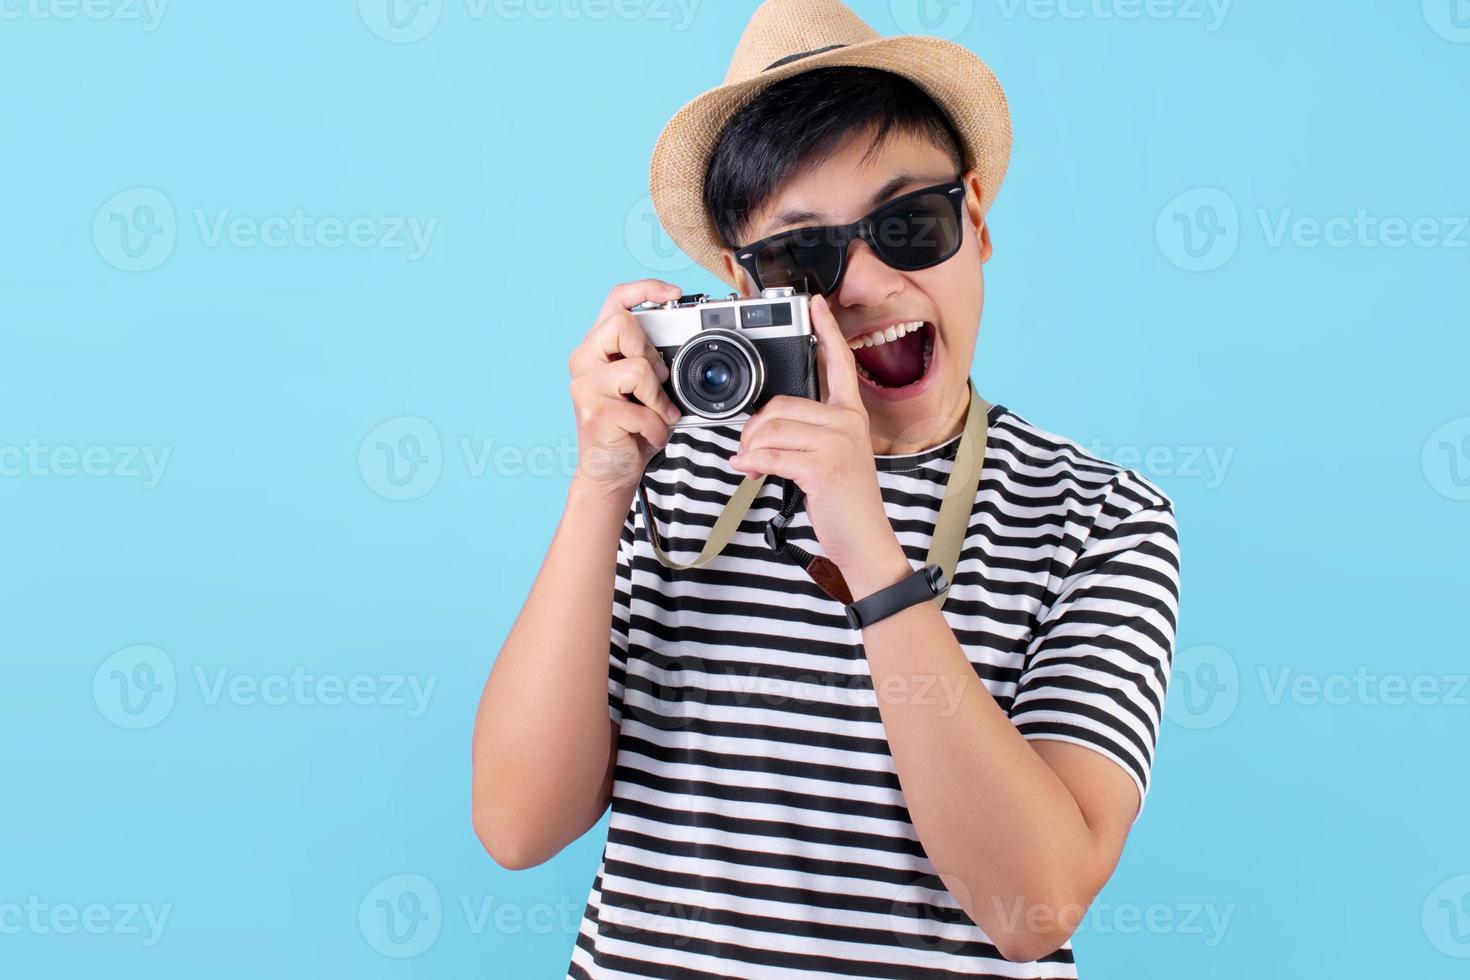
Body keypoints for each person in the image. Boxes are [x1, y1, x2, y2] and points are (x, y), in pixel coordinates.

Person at [473, 1, 1182, 976]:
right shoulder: (679, 470)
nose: (866, 282)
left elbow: (1034, 904)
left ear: (975, 222)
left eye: (909, 224)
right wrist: (602, 485)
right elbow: (516, 825)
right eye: (804, 258)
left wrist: (867, 541)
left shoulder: (1101, 518)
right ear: (741, 286)